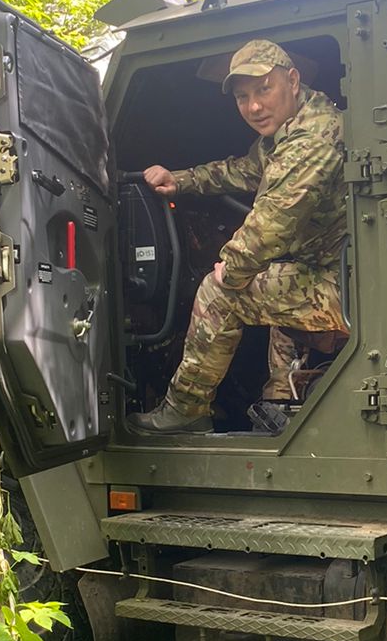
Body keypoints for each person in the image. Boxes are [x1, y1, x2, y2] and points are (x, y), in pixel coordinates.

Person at [133, 39, 347, 433]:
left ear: (293, 80)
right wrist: (179, 181)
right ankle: (283, 406)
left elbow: (270, 226)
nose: (253, 107)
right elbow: (244, 171)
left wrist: (229, 273)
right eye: (243, 97)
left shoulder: (311, 140)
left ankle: (186, 409)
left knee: (220, 295)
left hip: (351, 287)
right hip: (334, 271)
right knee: (280, 278)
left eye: (264, 89)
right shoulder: (288, 130)